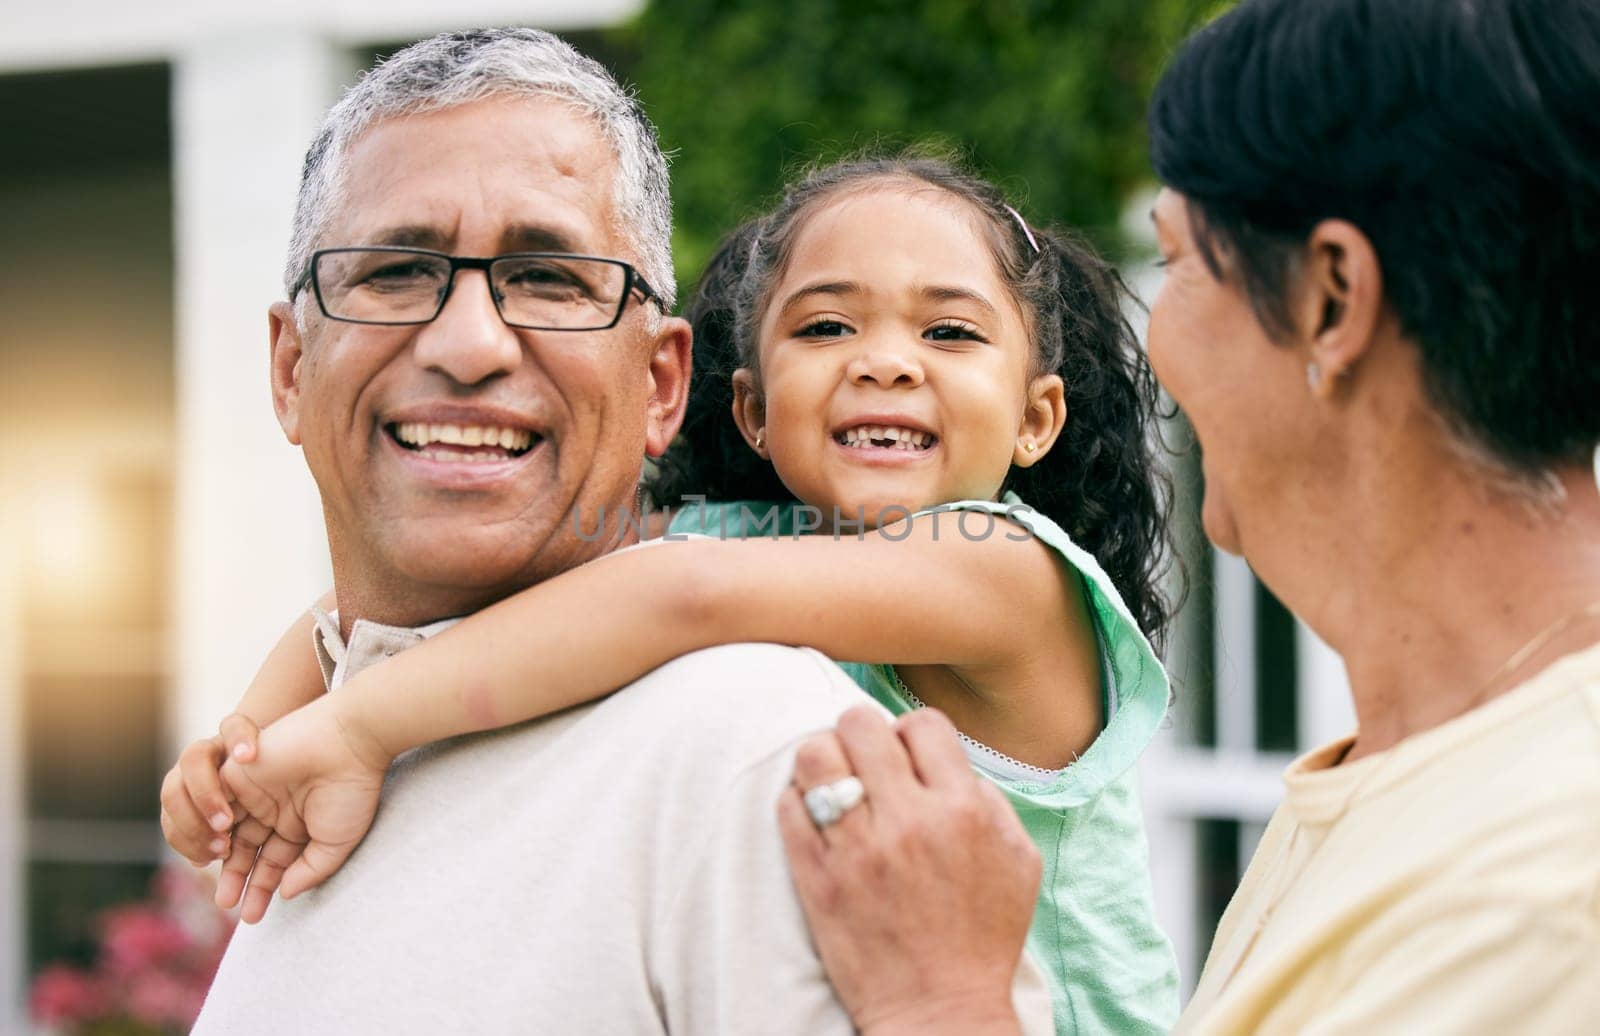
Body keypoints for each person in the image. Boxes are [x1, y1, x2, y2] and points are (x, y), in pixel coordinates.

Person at [166, 156, 1181, 1033]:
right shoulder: (750, 546)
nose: (883, 362)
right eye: (827, 325)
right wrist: (250, 740)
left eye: (950, 334)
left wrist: (358, 728)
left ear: (1035, 419)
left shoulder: (1008, 572)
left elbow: (674, 594)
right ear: (751, 408)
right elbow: (468, 606)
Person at [766, 0, 1600, 1032]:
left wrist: (940, 998)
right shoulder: (1427, 779)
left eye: (1177, 265)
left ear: (1330, 301)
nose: (1156, 351)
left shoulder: (1543, 883)